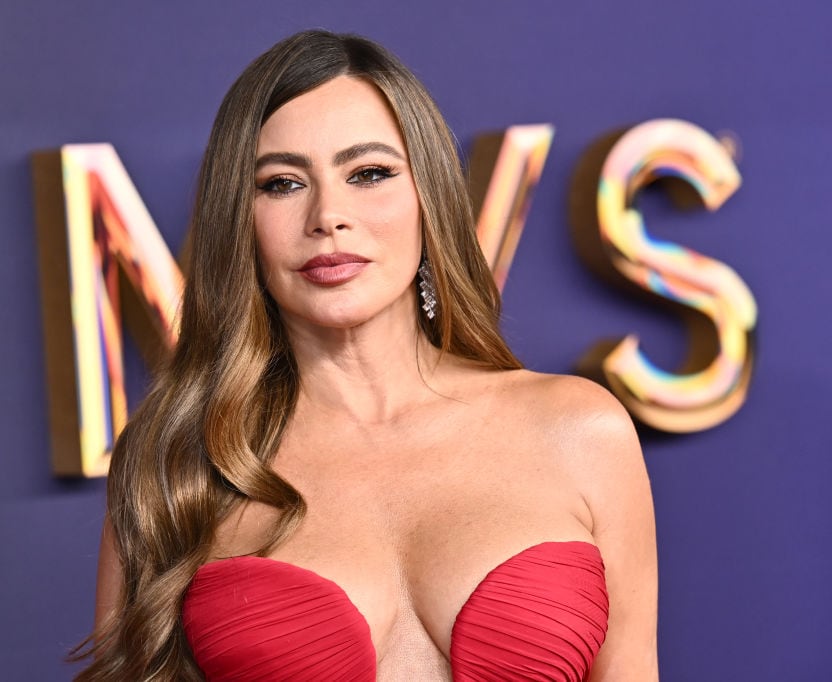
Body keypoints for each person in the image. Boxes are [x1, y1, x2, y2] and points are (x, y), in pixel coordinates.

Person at [74, 30, 658, 681]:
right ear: (239, 222)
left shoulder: (580, 432)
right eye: (282, 183)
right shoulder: (179, 461)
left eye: (369, 173)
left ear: (427, 198)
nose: (329, 215)